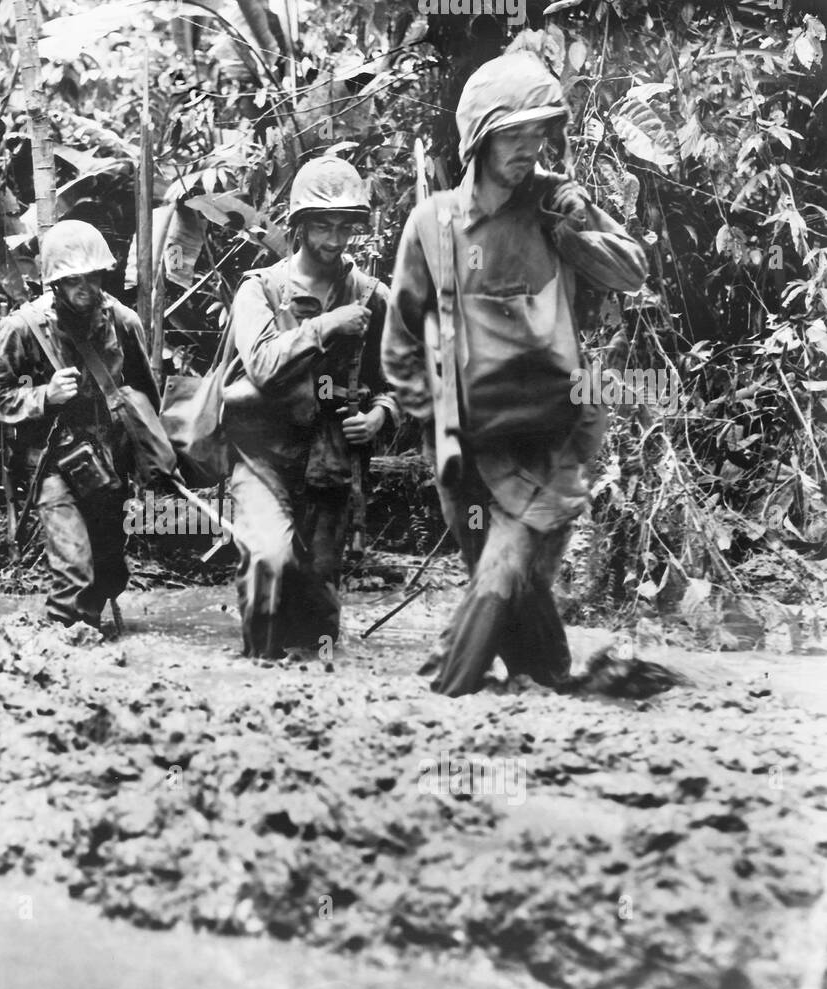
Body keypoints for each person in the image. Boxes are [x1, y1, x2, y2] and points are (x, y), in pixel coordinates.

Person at [381, 51, 648, 696]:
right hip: (467, 443)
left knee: (504, 570)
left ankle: (444, 692)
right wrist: (436, 420)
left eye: (538, 134)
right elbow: (398, 345)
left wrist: (575, 229)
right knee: (509, 581)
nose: (528, 148)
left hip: (551, 436)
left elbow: (632, 272)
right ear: (478, 138)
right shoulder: (433, 223)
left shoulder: (555, 206)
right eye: (513, 134)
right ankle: (556, 679)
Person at [222, 155, 398, 658]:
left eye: (346, 227)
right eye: (323, 225)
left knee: (319, 620)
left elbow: (396, 380)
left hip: (330, 462)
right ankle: (254, 679)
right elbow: (261, 365)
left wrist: (381, 415)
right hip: (263, 455)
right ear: (298, 226)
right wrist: (327, 326)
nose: (336, 240)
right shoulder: (260, 289)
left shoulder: (371, 297)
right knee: (269, 562)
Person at [0, 219, 160, 632]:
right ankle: (56, 647)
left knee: (110, 573)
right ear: (54, 284)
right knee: (75, 571)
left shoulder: (124, 322)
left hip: (108, 466)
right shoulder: (22, 328)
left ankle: (89, 644)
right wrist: (44, 395)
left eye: (92, 277)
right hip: (52, 464)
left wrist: (153, 459)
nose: (86, 288)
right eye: (73, 279)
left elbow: (147, 397)